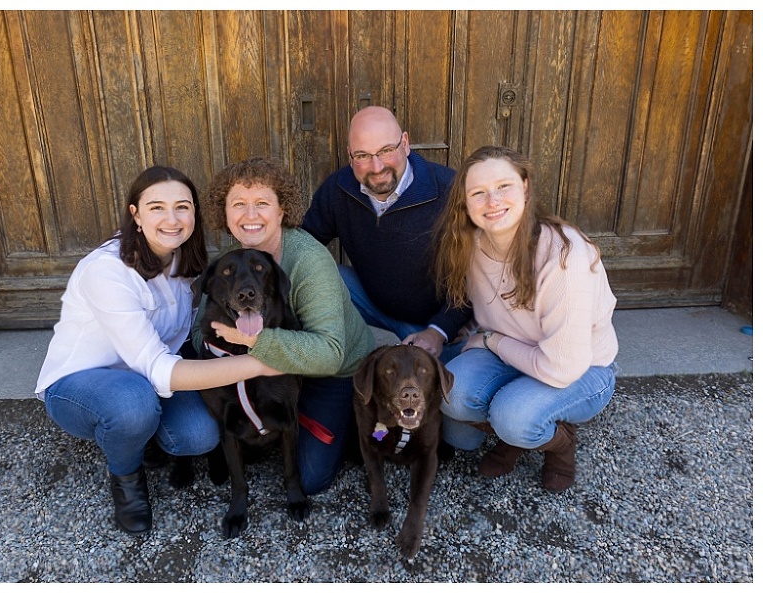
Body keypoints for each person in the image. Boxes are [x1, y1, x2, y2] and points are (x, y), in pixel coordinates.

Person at [35, 166, 281, 534]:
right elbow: (161, 368)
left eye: (182, 207)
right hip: (82, 387)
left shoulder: (181, 260)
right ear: (134, 214)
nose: (172, 219)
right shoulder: (107, 271)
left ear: (194, 214)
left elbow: (183, 340)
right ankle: (126, 476)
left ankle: (140, 434)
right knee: (131, 406)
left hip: (147, 379)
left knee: (199, 435)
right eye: (156, 208)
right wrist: (260, 363)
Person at [431, 145, 620, 492]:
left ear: (526, 188)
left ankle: (560, 444)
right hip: (516, 354)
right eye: (478, 192)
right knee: (449, 395)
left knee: (513, 417)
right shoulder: (469, 245)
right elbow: (486, 306)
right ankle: (516, 430)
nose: (492, 200)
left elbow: (561, 368)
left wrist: (491, 341)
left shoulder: (564, 257)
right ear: (465, 203)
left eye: (504, 186)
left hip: (581, 369)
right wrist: (466, 334)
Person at [196, 156, 375, 495]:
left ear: (282, 211)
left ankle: (357, 426)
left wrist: (248, 343)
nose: (250, 215)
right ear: (225, 213)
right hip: (279, 367)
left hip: (334, 374)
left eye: (262, 203)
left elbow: (329, 354)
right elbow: (201, 327)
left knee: (311, 479)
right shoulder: (236, 257)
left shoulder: (308, 260)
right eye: (239, 205)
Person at [302, 105, 474, 364]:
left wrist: (441, 330)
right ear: (350, 155)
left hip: (433, 324)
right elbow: (304, 243)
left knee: (452, 395)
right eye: (363, 155)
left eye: (386, 150)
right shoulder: (339, 189)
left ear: (405, 143)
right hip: (372, 302)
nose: (377, 166)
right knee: (320, 271)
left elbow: (476, 278)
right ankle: (334, 357)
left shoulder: (450, 191)